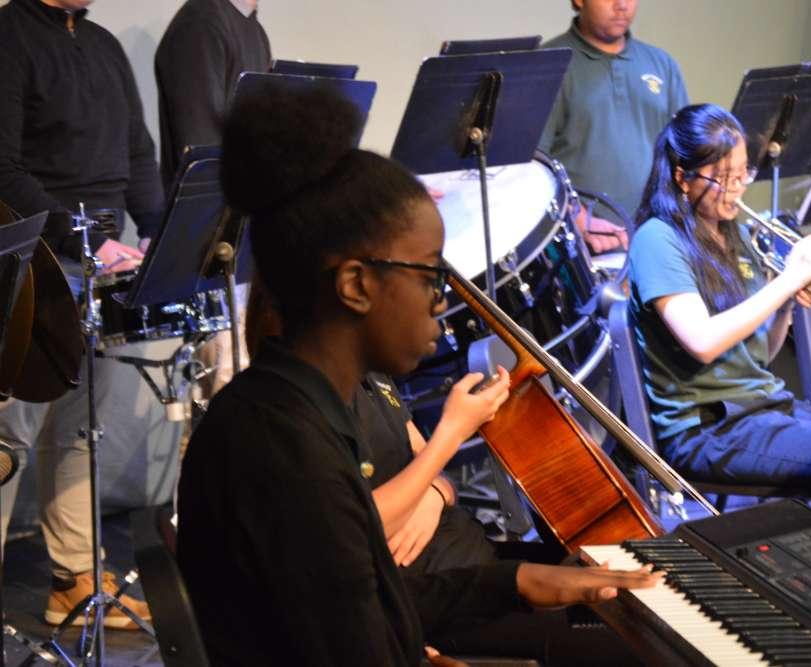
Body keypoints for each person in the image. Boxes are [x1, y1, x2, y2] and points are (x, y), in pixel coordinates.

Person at [177, 78, 659, 666]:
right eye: (431, 274)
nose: (442, 300)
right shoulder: (280, 448)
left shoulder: (304, 407)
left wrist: (517, 581)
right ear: (356, 285)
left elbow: (369, 596)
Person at [0, 0, 162, 628]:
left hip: (101, 266)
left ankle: (73, 579)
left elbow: (139, 157)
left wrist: (158, 233)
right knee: (9, 434)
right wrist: (81, 239)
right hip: (31, 266)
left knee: (79, 429)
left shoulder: (101, 45)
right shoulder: (10, 36)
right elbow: (3, 167)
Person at [627, 104, 811, 493]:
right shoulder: (658, 239)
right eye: (724, 178)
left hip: (763, 409)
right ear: (682, 178)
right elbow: (703, 343)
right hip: (708, 429)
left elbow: (760, 356)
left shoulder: (734, 235)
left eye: (743, 175)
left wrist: (788, 302)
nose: (737, 189)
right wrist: (787, 281)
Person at [155, 0, 271, 392]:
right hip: (214, 245)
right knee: (227, 388)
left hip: (244, 243)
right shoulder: (201, 25)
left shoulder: (252, 29)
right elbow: (204, 153)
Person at [539, 0, 689, 254]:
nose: (622, 5)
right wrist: (574, 216)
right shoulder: (546, 66)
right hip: (581, 250)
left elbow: (685, 157)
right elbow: (528, 168)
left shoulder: (662, 65)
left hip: (657, 243)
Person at [155, 0, 271, 192]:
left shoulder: (255, 29)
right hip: (208, 209)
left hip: (240, 203)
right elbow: (201, 141)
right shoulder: (201, 23)